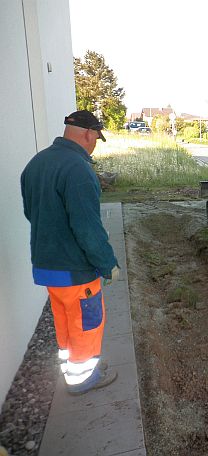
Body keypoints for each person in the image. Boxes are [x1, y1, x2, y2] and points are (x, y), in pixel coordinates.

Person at [20, 110, 120, 395]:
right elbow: (87, 226)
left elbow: (32, 213)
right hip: (76, 269)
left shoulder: (37, 163)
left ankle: (70, 368)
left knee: (65, 320)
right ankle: (83, 379)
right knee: (87, 323)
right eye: (96, 139)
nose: (95, 144)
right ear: (89, 133)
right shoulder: (78, 169)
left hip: (47, 265)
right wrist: (107, 264)